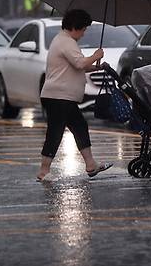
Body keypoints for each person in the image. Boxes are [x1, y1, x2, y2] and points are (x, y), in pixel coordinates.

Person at [36, 9, 112, 181]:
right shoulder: (66, 41)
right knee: (55, 132)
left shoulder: (64, 41)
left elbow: (79, 66)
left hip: (63, 96)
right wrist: (95, 55)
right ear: (75, 27)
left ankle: (91, 164)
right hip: (58, 96)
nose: (84, 33)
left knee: (79, 126)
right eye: (84, 29)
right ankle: (43, 171)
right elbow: (79, 63)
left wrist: (96, 66)